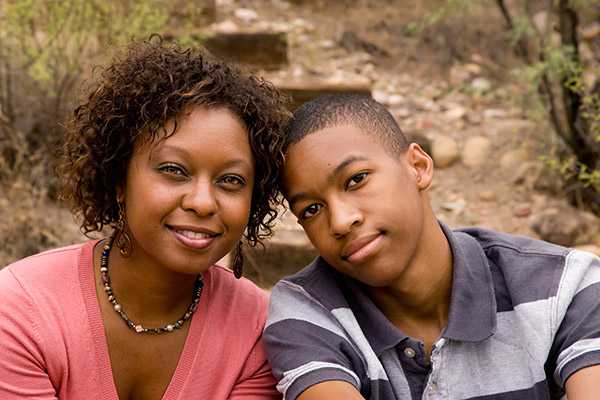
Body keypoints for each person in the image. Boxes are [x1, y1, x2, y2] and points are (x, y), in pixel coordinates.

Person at [0, 36, 290, 399]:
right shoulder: (22, 311)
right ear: (119, 179)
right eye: (173, 169)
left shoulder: (258, 331)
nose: (203, 202)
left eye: (230, 180)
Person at [263, 93, 600, 400]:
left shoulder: (563, 287)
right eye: (311, 209)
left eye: (356, 179)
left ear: (418, 167)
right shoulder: (309, 313)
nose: (339, 221)